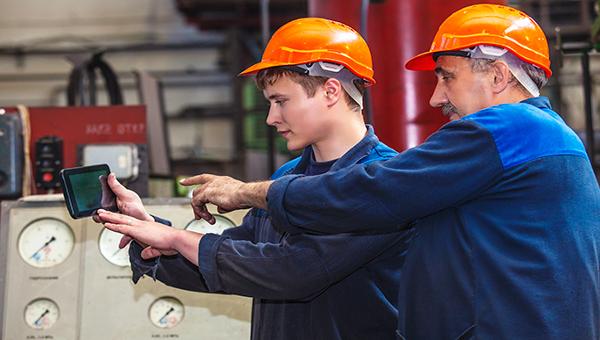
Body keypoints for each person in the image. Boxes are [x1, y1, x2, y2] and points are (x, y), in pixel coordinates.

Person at [182, 4, 600, 339]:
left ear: (498, 74)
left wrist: (249, 193)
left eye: (446, 77)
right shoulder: (542, 140)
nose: (436, 97)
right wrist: (158, 237)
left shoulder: (509, 130)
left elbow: (378, 190)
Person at [98, 18, 413, 339]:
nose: (271, 118)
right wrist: (150, 231)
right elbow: (238, 261)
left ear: (330, 90)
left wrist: (178, 239)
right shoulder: (285, 178)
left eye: (281, 101)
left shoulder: (382, 181)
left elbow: (294, 271)